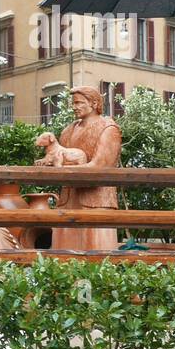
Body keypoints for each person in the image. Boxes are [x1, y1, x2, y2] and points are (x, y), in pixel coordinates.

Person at [50, 86, 123, 251]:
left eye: (79, 103)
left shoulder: (108, 128)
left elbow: (100, 167)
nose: (74, 107)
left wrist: (62, 168)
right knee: (63, 255)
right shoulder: (68, 130)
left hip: (96, 200)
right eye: (73, 103)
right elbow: (60, 156)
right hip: (68, 199)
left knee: (97, 255)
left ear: (94, 103)